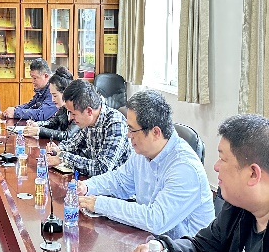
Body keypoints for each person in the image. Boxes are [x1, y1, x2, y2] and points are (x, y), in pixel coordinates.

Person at [132, 114, 269, 252]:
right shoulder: (237, 208)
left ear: (253, 174)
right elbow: (201, 247)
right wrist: (163, 249)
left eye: (223, 159)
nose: (216, 167)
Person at [76, 90, 214, 239]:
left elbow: (155, 219)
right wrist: (87, 186)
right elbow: (120, 181)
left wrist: (100, 204)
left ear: (155, 132)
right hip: (151, 241)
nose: (128, 135)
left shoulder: (185, 168)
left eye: (132, 129)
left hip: (185, 249)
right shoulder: (143, 153)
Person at [46, 79, 131, 176]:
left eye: (73, 113)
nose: (70, 118)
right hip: (94, 181)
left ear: (89, 111)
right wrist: (56, 149)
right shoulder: (88, 121)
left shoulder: (115, 123)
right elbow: (72, 144)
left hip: (115, 183)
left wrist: (62, 156)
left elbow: (102, 168)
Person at [23, 66, 79, 141]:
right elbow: (53, 122)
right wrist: (37, 124)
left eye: (55, 95)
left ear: (65, 93)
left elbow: (67, 135)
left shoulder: (78, 109)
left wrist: (39, 131)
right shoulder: (64, 107)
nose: (52, 99)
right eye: (51, 95)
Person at [3, 58, 57, 122]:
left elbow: (42, 114)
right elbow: (30, 105)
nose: (32, 81)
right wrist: (14, 109)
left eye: (35, 78)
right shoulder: (42, 89)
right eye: (31, 77)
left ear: (46, 76)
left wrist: (15, 113)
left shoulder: (54, 89)